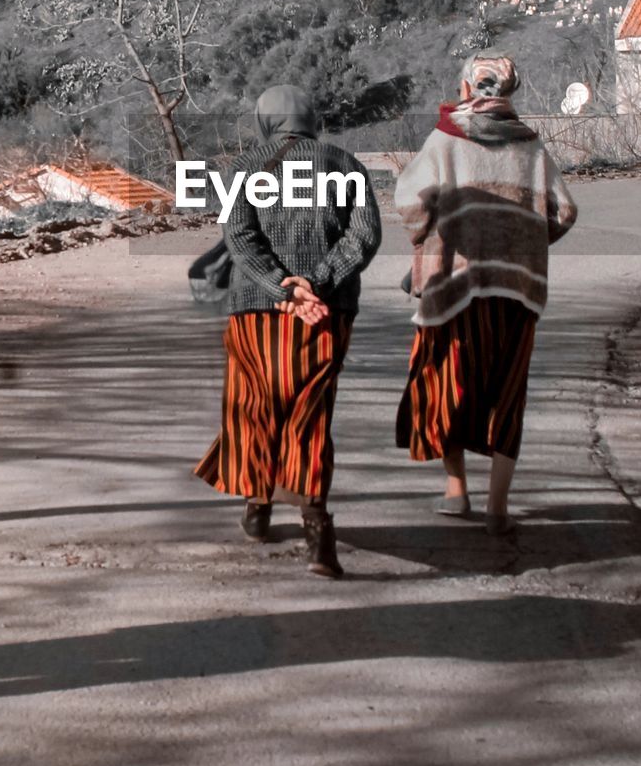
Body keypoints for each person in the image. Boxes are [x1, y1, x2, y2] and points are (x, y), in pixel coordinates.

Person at [194, 84, 382, 577]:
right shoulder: (345, 164)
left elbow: (239, 237)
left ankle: (258, 508)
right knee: (309, 414)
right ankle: (318, 533)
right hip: (326, 310)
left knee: (255, 406)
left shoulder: (244, 168)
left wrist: (282, 287)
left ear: (264, 121)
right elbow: (365, 235)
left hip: (255, 310)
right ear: (311, 117)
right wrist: (314, 285)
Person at [394, 54, 577, 534]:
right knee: (506, 394)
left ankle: (457, 494)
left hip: (455, 287)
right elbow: (564, 212)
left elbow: (410, 204)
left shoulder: (445, 141)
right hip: (518, 291)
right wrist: (524, 244)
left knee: (442, 384)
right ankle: (498, 507)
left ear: (466, 86)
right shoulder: (532, 149)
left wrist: (430, 238)